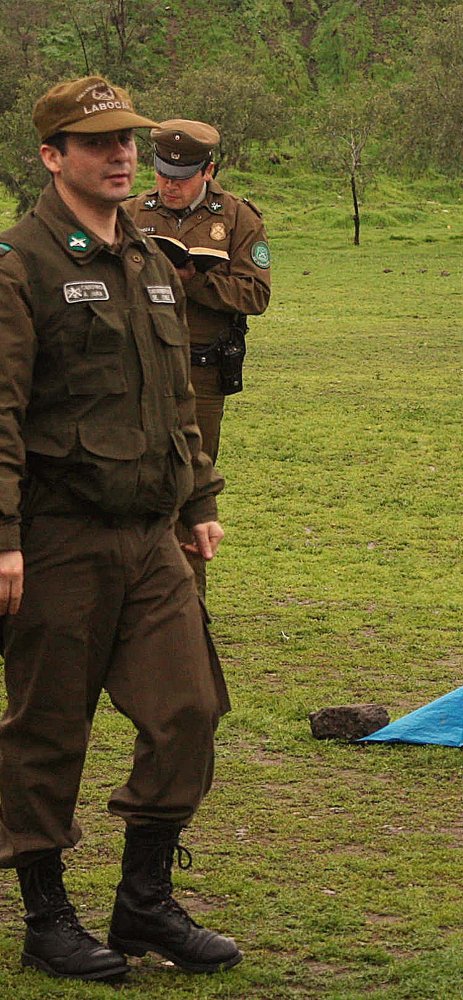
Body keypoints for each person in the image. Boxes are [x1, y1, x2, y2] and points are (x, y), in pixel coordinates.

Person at [0, 76, 241, 981]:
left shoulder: (146, 255)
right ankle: (46, 917)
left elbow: (177, 395)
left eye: (126, 140)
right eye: (97, 142)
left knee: (188, 710)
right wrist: (3, 537)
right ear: (52, 156)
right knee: (48, 729)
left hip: (150, 536)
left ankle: (142, 903)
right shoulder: (21, 264)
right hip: (58, 536)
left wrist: (199, 499)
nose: (121, 154)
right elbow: (1, 412)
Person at [126, 120, 271, 596]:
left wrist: (194, 281)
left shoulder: (237, 219)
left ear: (208, 170)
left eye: (181, 175)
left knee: (190, 485)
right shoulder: (130, 212)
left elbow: (256, 294)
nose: (169, 184)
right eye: (163, 172)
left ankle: (189, 607)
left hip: (199, 372)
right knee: (129, 480)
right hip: (134, 368)